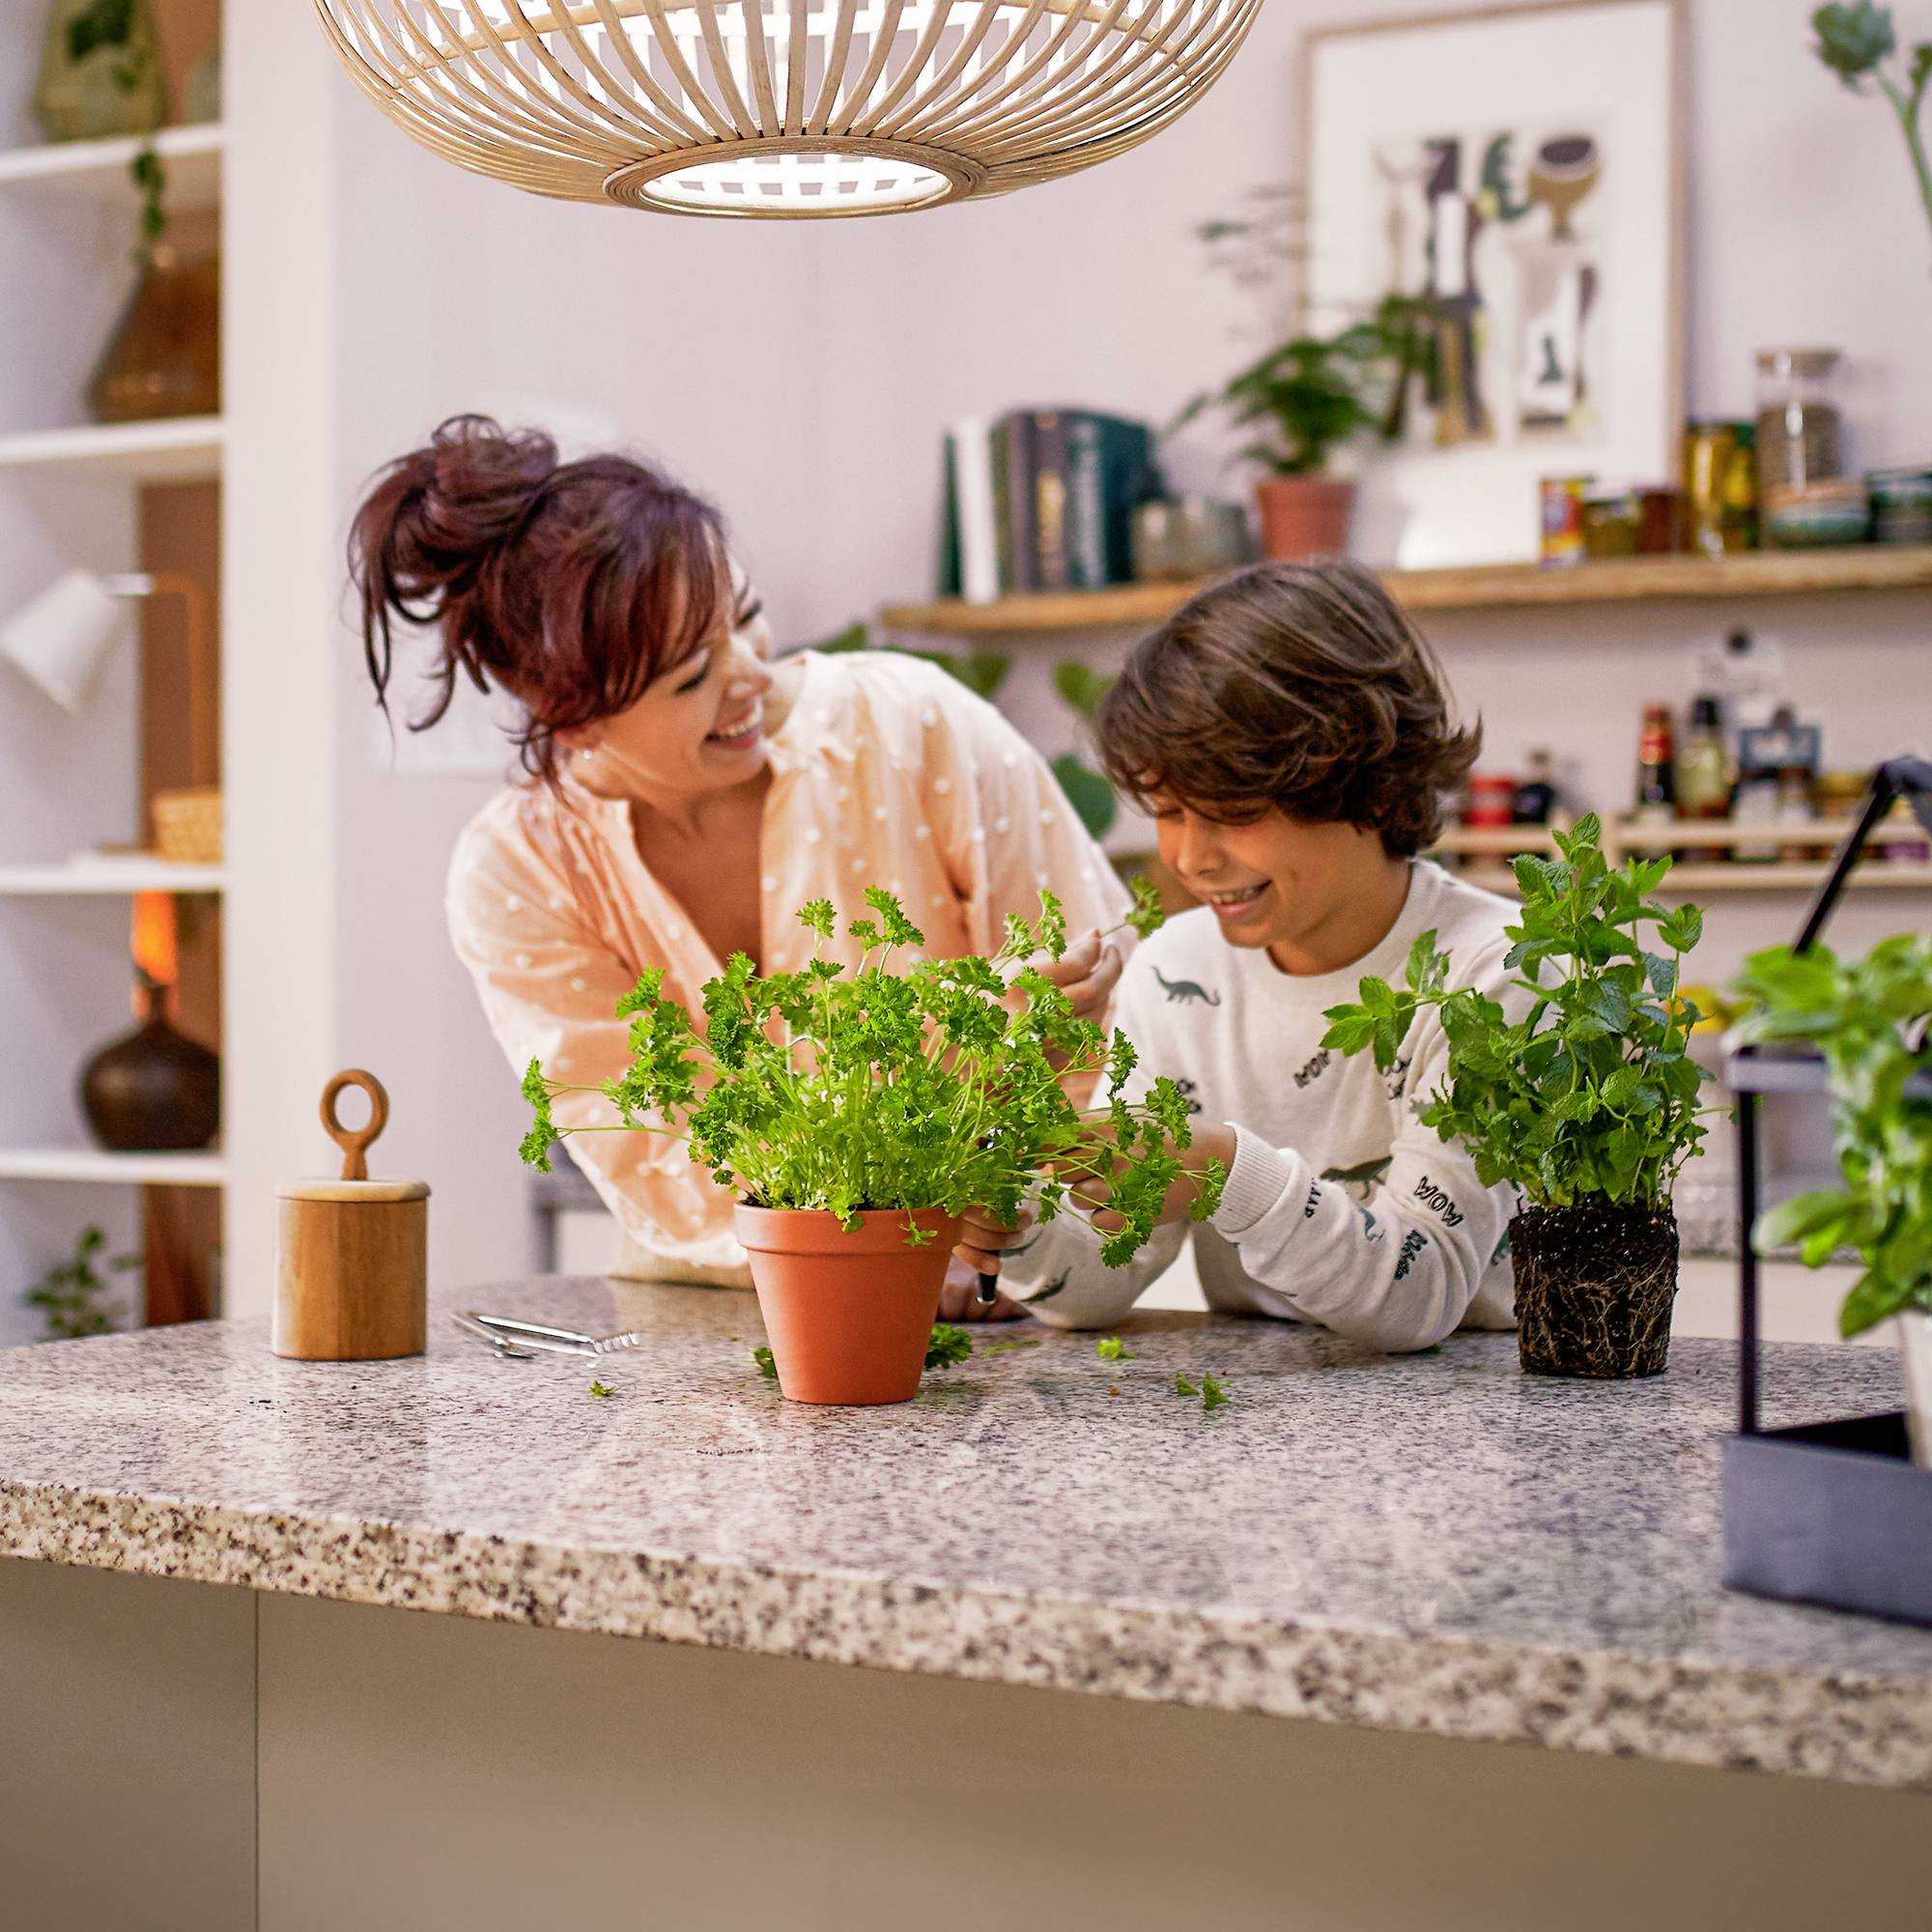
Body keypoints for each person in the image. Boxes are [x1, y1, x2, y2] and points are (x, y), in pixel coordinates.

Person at [350, 415, 1131, 1315]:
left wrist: (1027, 1231)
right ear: (570, 716)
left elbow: (1119, 1020)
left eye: (747, 618)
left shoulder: (912, 727)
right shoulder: (519, 872)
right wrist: (894, 1250)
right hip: (719, 1319)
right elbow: (651, 1155)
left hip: (1015, 1298)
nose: (752, 673)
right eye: (691, 676)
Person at [958, 559, 1520, 1351]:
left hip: (1483, 1419)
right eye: (1167, 811)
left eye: (1232, 811)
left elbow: (1418, 1299)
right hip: (1253, 1421)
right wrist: (1016, 1226)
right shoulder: (1179, 971)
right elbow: (1103, 1279)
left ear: (1378, 789)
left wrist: (1224, 1172)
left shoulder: (1491, 975)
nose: (1191, 858)